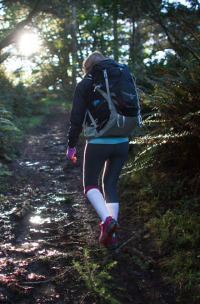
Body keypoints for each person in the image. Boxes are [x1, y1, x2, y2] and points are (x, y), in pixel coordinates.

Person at [66, 51, 137, 249]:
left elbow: (76, 119)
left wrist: (71, 146)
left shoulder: (85, 84)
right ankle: (111, 237)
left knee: (90, 185)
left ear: (87, 67)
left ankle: (107, 222)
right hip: (122, 141)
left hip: (98, 142)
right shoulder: (120, 78)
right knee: (110, 185)